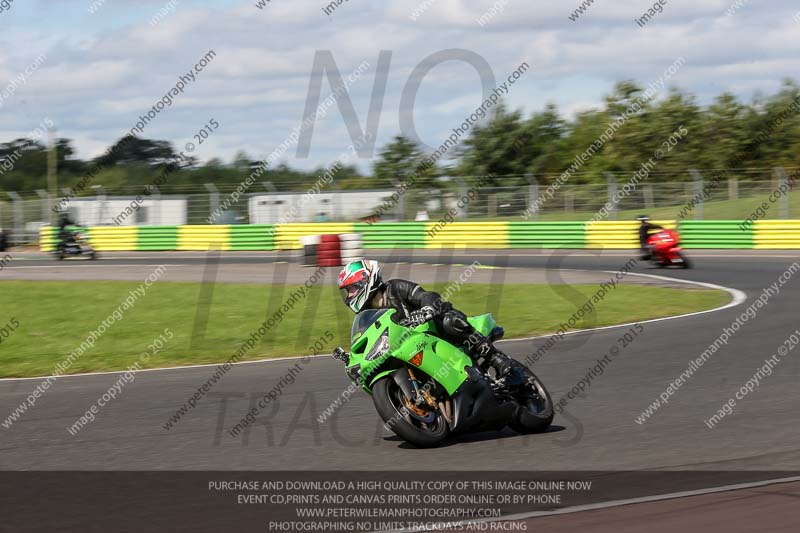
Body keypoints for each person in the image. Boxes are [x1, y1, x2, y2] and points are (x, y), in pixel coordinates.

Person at [336, 259, 524, 382]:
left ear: (365, 281)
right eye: (348, 292)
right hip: (410, 348)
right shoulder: (369, 314)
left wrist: (426, 309)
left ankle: (496, 358)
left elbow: (426, 295)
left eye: (351, 289)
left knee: (449, 319)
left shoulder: (395, 288)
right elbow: (368, 340)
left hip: (434, 329)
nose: (350, 295)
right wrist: (353, 359)